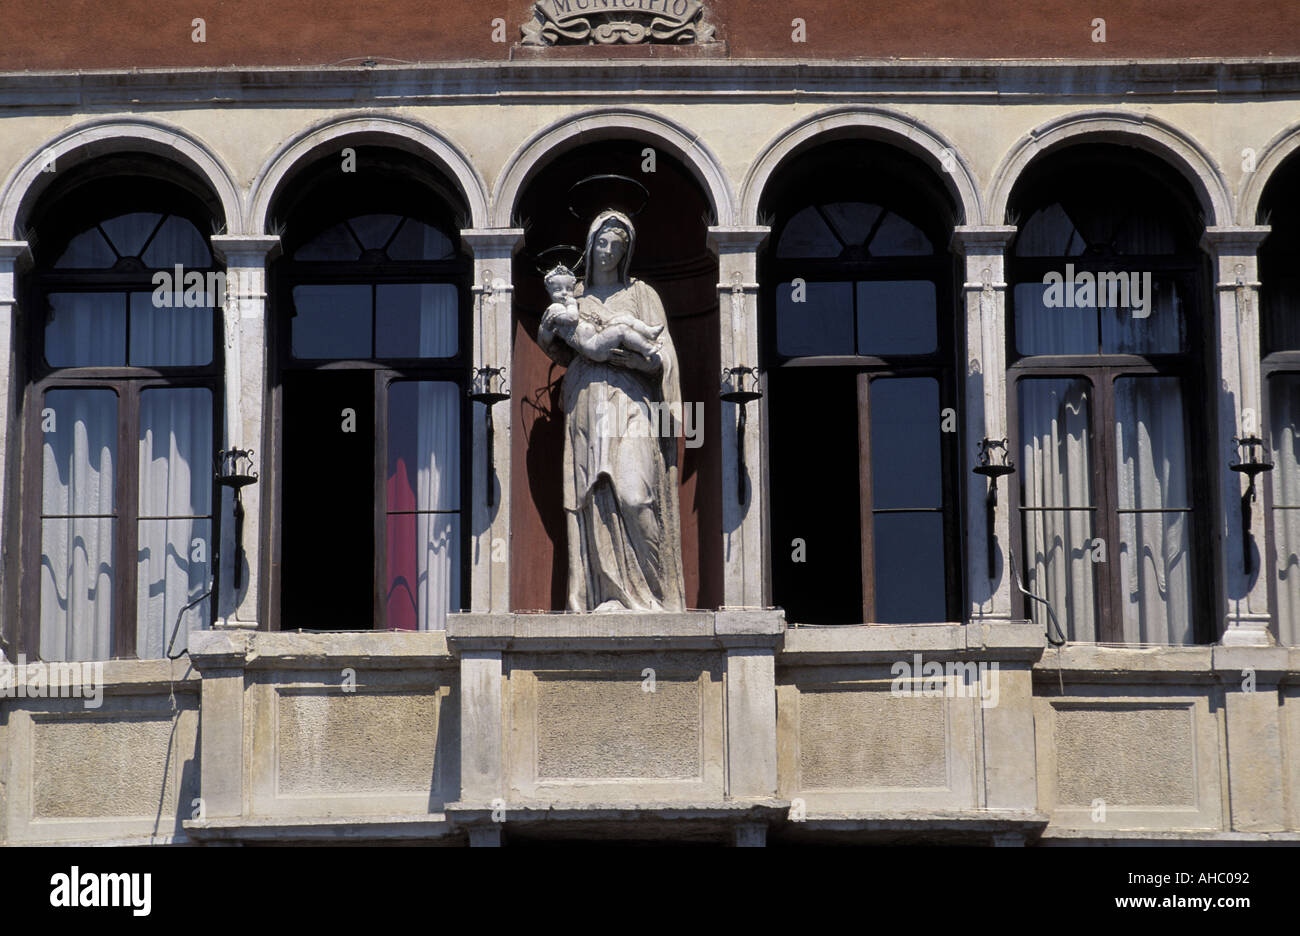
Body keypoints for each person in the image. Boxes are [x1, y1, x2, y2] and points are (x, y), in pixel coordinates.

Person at [538, 210, 686, 612]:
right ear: (589, 246)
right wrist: (550, 328)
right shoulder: (575, 299)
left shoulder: (642, 295)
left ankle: (652, 597)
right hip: (586, 401)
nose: (607, 252)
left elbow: (664, 357)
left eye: (616, 247)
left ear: (626, 252)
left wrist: (637, 364)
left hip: (632, 401)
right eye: (601, 244)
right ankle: (609, 595)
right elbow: (553, 348)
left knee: (636, 495)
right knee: (596, 494)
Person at [541, 263, 664, 363]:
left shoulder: (568, 304)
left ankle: (647, 331)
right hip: (592, 347)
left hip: (597, 334)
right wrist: (572, 304)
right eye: (558, 289)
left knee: (623, 318)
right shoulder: (555, 308)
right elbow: (572, 318)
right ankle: (647, 348)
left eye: (568, 289)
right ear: (549, 291)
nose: (564, 293)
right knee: (621, 329)